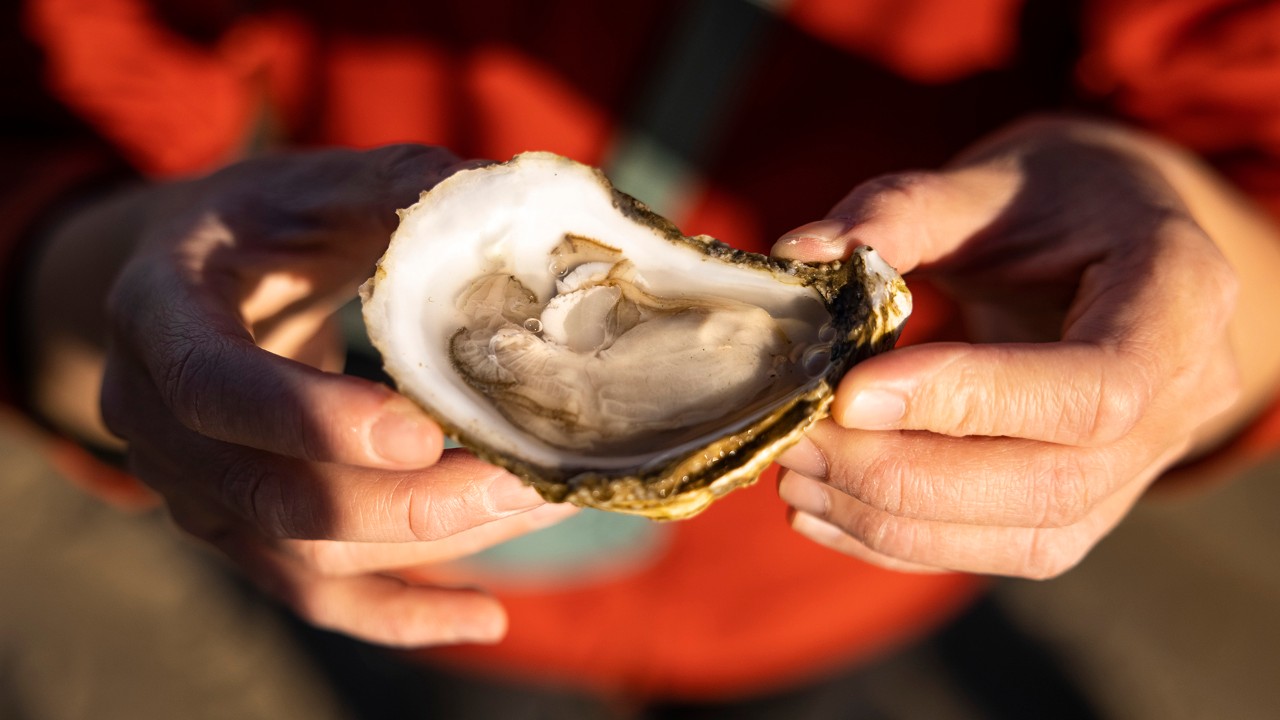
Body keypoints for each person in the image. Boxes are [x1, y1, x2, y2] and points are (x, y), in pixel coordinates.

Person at [5, 0, 1280, 715]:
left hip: (849, 566)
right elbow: (56, 119)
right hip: (444, 582)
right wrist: (103, 299)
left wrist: (1199, 293)